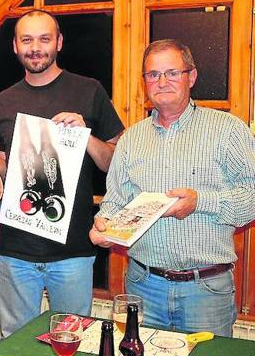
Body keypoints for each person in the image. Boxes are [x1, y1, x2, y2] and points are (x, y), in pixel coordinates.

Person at [90, 39, 255, 337]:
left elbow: (252, 197)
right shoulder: (131, 139)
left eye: (172, 73)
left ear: (191, 77)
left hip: (205, 291)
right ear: (144, 83)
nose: (162, 82)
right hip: (142, 286)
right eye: (153, 74)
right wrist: (103, 226)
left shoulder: (228, 130)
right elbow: (114, 203)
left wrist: (200, 201)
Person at [0, 10, 124, 337]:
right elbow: (1, 167)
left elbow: (113, 161)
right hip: (16, 249)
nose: (36, 48)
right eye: (27, 40)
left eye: (44, 39)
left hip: (72, 251)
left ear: (59, 42)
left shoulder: (89, 90)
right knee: (15, 341)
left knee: (72, 341)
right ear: (15, 46)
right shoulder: (5, 100)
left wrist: (85, 136)